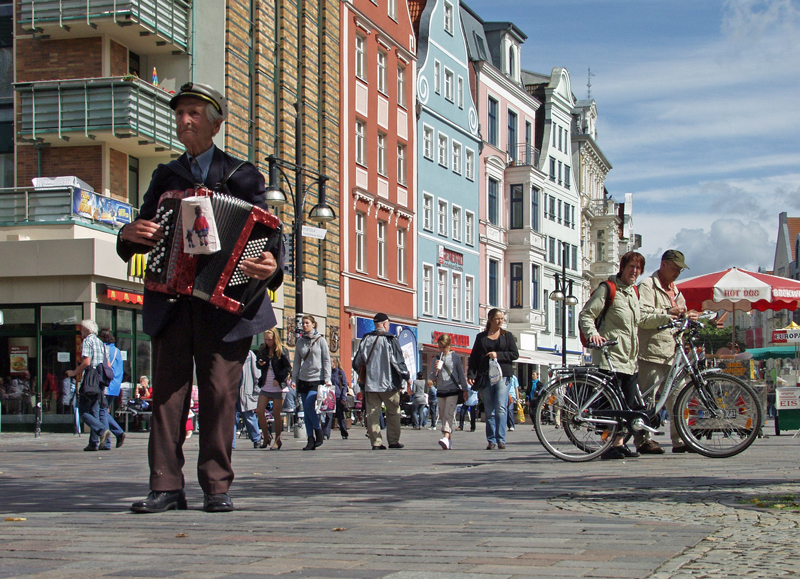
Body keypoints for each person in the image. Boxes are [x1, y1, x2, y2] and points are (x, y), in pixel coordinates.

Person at [117, 82, 283, 513]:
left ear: (215, 123)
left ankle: (216, 486)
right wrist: (127, 234)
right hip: (172, 304)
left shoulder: (242, 174)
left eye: (193, 113)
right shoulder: (165, 176)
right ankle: (166, 487)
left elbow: (268, 232)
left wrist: (271, 265)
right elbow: (142, 230)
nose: (184, 120)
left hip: (226, 308)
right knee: (167, 398)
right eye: (180, 114)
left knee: (220, 396)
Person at [579, 251, 673, 460]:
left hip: (630, 359)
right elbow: (587, 314)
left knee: (628, 406)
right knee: (612, 406)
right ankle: (611, 444)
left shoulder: (634, 293)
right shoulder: (608, 289)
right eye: (631, 267)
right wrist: (593, 335)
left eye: (639, 268)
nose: (635, 271)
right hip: (610, 357)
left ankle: (619, 443)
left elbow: (643, 320)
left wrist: (667, 317)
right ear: (622, 267)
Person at [637, 249, 698, 454]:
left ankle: (681, 439)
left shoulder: (675, 290)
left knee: (679, 396)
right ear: (663, 264)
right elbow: (642, 317)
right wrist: (667, 313)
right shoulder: (647, 285)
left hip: (673, 352)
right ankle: (644, 440)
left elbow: (679, 315)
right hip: (651, 352)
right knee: (647, 398)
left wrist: (688, 316)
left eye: (680, 270)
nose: (677, 273)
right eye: (675, 268)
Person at [352, 313, 411, 450]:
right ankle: (393, 441)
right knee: (393, 412)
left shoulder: (366, 339)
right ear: (385, 324)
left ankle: (376, 442)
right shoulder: (390, 339)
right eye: (388, 324)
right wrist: (406, 377)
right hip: (388, 385)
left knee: (372, 413)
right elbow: (397, 361)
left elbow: (357, 362)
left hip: (370, 385)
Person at [468, 308, 520, 450]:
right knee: (489, 409)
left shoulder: (507, 336)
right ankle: (491, 440)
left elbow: (514, 354)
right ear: (490, 319)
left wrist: (498, 355)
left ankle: (501, 439)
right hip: (485, 375)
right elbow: (474, 357)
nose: (500, 321)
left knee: (501, 407)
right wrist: (471, 374)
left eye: (502, 319)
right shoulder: (481, 337)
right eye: (497, 319)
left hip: (503, 375)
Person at [66, 320, 111, 451]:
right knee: (95, 410)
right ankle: (93, 442)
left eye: (82, 329)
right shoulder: (101, 343)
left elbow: (86, 362)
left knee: (83, 410)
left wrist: (74, 372)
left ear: (87, 330)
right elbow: (107, 364)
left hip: (91, 377)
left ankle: (101, 430)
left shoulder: (87, 341)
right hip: (100, 378)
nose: (81, 332)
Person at [292, 314, 332, 451]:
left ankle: (318, 429)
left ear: (313, 324)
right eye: (303, 323)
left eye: (307, 323)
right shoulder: (300, 342)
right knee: (306, 409)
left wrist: (327, 378)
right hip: (304, 378)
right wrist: (293, 379)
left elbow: (327, 360)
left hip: (317, 378)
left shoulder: (321, 340)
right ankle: (310, 439)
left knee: (309, 404)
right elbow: (297, 362)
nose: (304, 325)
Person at [429, 333, 467, 450]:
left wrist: (465, 389)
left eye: (444, 347)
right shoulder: (436, 358)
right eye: (440, 347)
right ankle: (448, 441)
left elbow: (461, 374)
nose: (442, 349)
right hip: (441, 390)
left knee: (448, 413)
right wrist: (435, 371)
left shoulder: (455, 358)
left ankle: (445, 436)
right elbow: (432, 377)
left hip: (453, 390)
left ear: (449, 346)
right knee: (442, 414)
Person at [256, 328, 291, 450]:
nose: (268, 342)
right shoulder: (263, 349)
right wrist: (259, 363)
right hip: (266, 384)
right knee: (259, 411)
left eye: (270, 339)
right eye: (266, 339)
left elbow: (287, 368)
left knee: (276, 413)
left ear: (275, 338)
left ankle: (278, 439)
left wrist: (279, 379)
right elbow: (258, 363)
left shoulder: (282, 350)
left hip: (278, 386)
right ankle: (266, 436)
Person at [98, 329, 126, 449]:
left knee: (101, 411)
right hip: (115, 385)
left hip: (106, 384)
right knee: (103, 410)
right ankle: (118, 433)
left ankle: (108, 440)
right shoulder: (117, 350)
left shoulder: (104, 349)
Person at [233, 349, 262, 449]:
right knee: (231, 418)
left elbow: (257, 374)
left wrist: (256, 390)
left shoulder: (249, 355)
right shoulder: (229, 353)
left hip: (245, 390)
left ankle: (256, 439)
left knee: (248, 416)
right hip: (232, 391)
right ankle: (230, 443)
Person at [322, 357, 350, 440]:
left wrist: (343, 397)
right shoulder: (328, 373)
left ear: (334, 363)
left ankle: (344, 433)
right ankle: (326, 434)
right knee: (329, 415)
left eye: (330, 362)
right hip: (330, 397)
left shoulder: (340, 372)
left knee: (340, 415)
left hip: (338, 397)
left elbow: (345, 385)